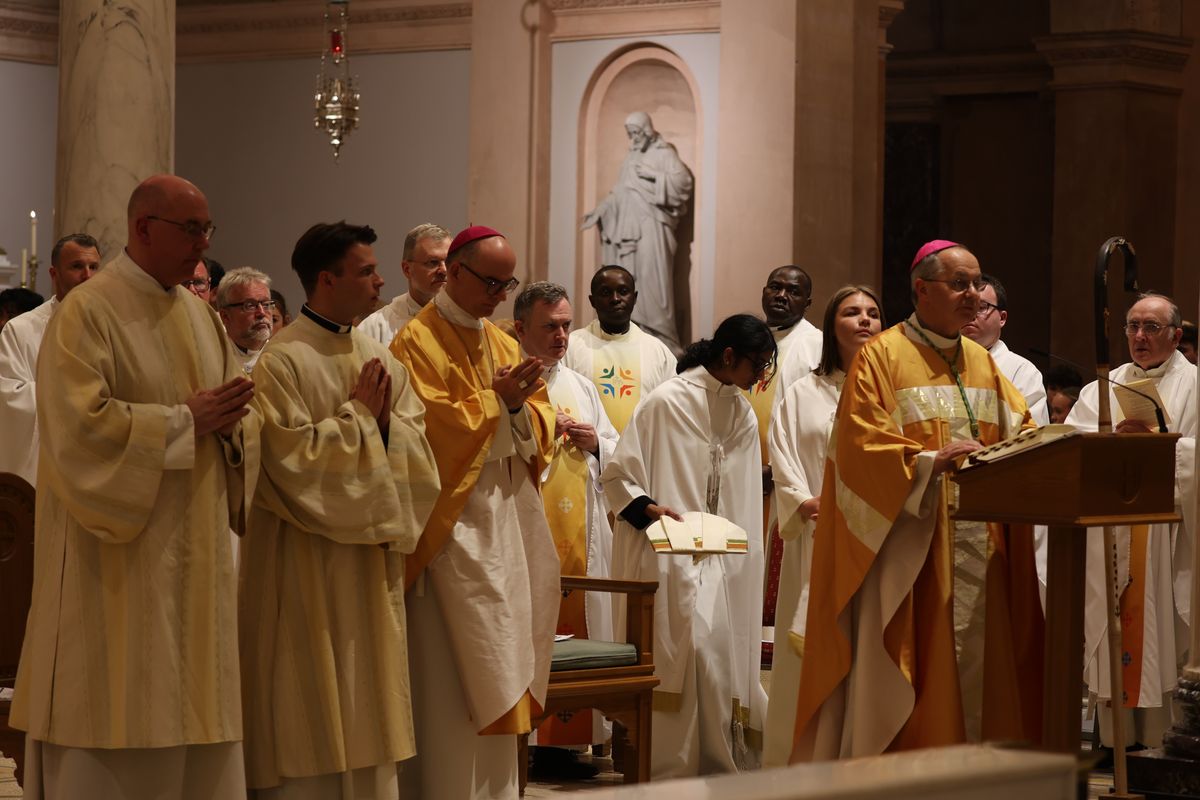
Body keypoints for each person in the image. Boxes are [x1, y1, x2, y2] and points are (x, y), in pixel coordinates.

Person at [10, 174, 257, 798]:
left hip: (196, 561)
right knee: (118, 708)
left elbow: (233, 420)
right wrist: (183, 423)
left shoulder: (202, 318)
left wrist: (233, 432)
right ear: (143, 228)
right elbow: (77, 432)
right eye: (190, 229)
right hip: (117, 568)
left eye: (208, 229)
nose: (202, 244)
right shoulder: (88, 312)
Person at [792, 240, 1041, 762]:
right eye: (960, 284)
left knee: (982, 668)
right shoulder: (880, 358)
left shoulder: (985, 364)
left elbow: (1024, 433)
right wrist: (929, 463)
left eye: (977, 284)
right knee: (919, 669)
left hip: (982, 547)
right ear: (922, 289)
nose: (973, 295)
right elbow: (859, 450)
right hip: (913, 551)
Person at [239, 222, 440, 799]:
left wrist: (379, 425)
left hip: (367, 569)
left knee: (366, 699)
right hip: (304, 564)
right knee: (308, 696)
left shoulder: (379, 356)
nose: (381, 281)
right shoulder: (282, 360)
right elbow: (286, 462)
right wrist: (360, 421)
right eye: (367, 271)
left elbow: (418, 450)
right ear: (326, 279)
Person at [390, 225, 558, 800]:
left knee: (506, 655)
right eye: (491, 282)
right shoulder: (415, 341)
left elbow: (542, 420)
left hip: (505, 522)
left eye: (507, 284)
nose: (499, 295)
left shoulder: (505, 343)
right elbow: (424, 428)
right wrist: (499, 402)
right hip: (450, 531)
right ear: (452, 271)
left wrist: (520, 411)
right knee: (452, 680)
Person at [601, 313, 774, 778]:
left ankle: (717, 762)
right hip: (670, 557)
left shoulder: (739, 411)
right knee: (686, 654)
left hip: (725, 562)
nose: (760, 376)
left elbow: (741, 494)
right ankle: (668, 768)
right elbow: (618, 476)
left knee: (718, 657)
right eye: (756, 363)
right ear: (729, 355)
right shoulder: (667, 402)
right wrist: (645, 507)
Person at [1065, 291, 1197, 748]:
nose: (1139, 337)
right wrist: (1111, 441)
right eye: (1132, 327)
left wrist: (1158, 443)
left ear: (1176, 336)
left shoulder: (1195, 385)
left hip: (1164, 533)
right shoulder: (1103, 386)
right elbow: (1075, 445)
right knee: (1111, 624)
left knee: (1164, 631)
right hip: (1113, 529)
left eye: (1151, 328)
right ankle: (1115, 743)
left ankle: (1161, 741)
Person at [762, 285, 884, 767]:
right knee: (807, 648)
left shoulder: (889, 393)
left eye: (873, 313)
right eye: (852, 312)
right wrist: (803, 501)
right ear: (832, 325)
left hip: (874, 538)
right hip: (815, 534)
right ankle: (799, 754)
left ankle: (859, 753)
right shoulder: (803, 392)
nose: (864, 321)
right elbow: (783, 453)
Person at [513, 282, 619, 775]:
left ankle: (572, 741)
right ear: (520, 328)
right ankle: (527, 739)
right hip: (527, 529)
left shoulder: (581, 386)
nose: (561, 336)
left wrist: (598, 442)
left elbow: (618, 452)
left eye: (566, 325)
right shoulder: (508, 381)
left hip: (580, 528)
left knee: (581, 618)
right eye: (550, 327)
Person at [581, 111, 693, 352]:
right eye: (629, 134)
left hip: (652, 228)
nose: (632, 139)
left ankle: (662, 339)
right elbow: (619, 192)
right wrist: (601, 210)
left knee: (653, 285)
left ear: (646, 131)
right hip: (626, 232)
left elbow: (683, 182)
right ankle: (626, 332)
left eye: (635, 133)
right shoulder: (630, 158)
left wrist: (654, 175)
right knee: (625, 279)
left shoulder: (663, 154)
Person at [0, 233, 100, 485]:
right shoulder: (21, 330)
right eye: (77, 266)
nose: (88, 276)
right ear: (54, 274)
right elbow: (10, 398)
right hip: (44, 470)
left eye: (94, 267)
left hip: (98, 468)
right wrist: (75, 394)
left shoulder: (116, 328)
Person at [562, 265, 677, 433]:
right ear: (592, 301)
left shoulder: (657, 351)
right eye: (605, 293)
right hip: (586, 454)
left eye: (623, 291)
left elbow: (671, 408)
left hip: (643, 455)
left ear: (635, 297)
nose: (615, 299)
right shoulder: (571, 346)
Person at [961, 273, 1048, 424]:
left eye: (981, 307)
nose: (971, 315)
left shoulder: (1022, 372)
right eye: (967, 307)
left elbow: (1034, 436)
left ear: (1002, 318)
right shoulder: (940, 362)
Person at [359, 222, 451, 346]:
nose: (444, 270)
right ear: (407, 269)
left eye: (449, 261)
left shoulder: (467, 321)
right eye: (433, 262)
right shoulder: (375, 328)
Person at [216, 266, 274, 374]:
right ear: (225, 316)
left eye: (266, 304)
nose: (261, 313)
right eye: (250, 305)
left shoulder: (282, 355)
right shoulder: (214, 355)